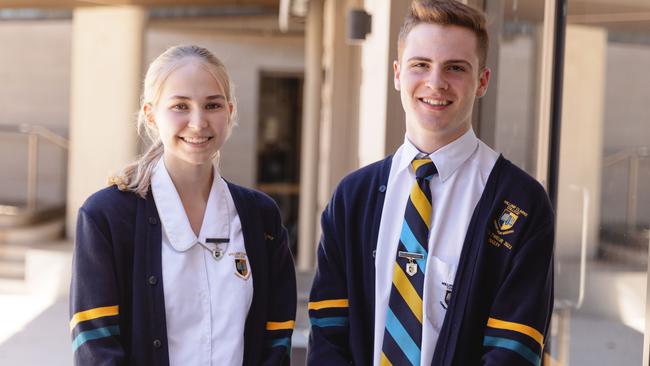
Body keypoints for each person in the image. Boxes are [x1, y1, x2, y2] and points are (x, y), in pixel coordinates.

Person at [307, 1, 554, 365]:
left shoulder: (520, 203)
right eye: (420, 65)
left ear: (482, 81)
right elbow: (328, 334)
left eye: (455, 68)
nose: (435, 82)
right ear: (397, 74)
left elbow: (514, 351)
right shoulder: (353, 197)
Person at [69, 45, 296, 366]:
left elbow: (277, 333)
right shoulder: (106, 216)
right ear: (150, 113)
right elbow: (95, 342)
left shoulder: (261, 218)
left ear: (230, 111)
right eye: (180, 106)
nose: (198, 122)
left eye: (212, 105)